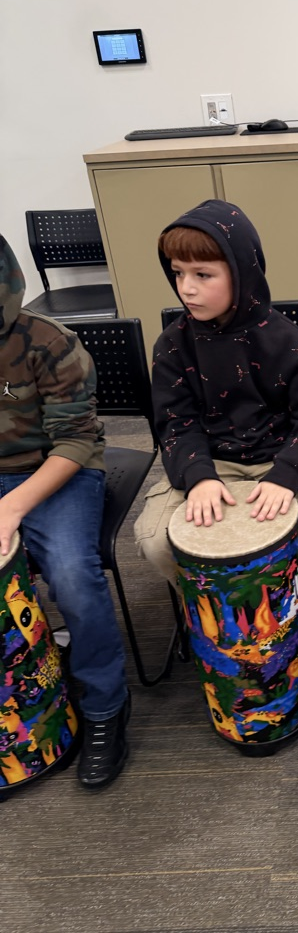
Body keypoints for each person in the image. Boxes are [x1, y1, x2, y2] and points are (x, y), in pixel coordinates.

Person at [134, 199, 298, 671]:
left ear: (242, 271)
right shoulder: (172, 344)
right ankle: (208, 608)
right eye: (178, 273)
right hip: (210, 463)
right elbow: (175, 423)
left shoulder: (288, 340)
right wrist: (198, 476)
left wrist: (286, 474)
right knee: (154, 540)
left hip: (285, 457)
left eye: (203, 275)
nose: (186, 289)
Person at [0, 235, 130, 790]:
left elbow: (76, 442)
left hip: (56, 470)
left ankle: (105, 706)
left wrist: (10, 507)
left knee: (74, 576)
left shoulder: (47, 342)